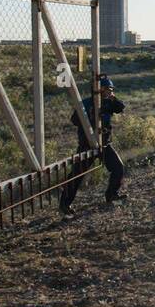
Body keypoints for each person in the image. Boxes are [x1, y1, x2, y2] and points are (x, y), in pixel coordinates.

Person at [59, 73, 126, 214]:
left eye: (111, 89)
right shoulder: (86, 103)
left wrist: (113, 99)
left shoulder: (108, 102)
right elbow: (75, 120)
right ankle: (65, 205)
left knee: (118, 168)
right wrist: (90, 120)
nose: (110, 92)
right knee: (77, 175)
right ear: (100, 89)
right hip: (87, 145)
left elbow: (121, 107)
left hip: (104, 144)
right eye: (107, 89)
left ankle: (111, 195)